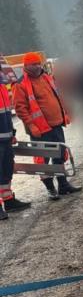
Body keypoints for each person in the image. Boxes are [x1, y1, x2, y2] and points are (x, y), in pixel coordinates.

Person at [12, 51, 81, 201]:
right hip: (39, 131)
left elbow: (58, 96)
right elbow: (20, 109)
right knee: (43, 161)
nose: (37, 66)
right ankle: (51, 189)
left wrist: (66, 113)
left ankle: (63, 185)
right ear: (26, 66)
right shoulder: (20, 84)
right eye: (33, 64)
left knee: (60, 155)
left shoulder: (46, 77)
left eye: (38, 63)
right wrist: (32, 125)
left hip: (56, 125)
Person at [0, 63, 30, 219]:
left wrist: (12, 132)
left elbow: (6, 114)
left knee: (6, 170)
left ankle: (8, 200)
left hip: (5, 137)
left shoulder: (2, 86)